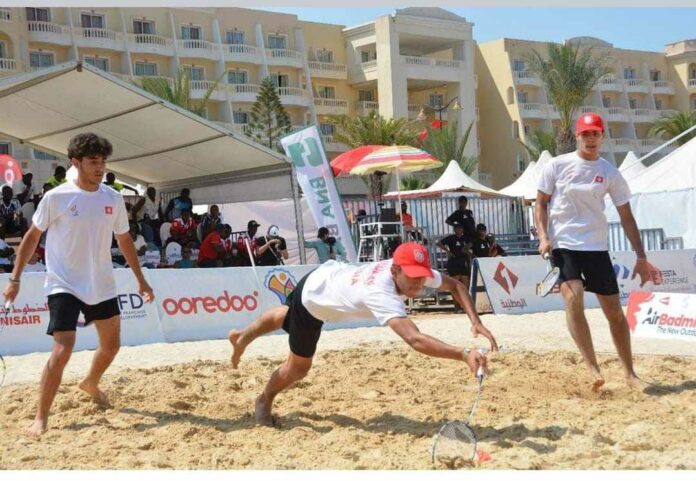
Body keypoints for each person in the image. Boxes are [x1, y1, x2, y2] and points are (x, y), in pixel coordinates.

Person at [228, 242, 498, 426]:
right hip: (315, 301)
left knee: (286, 315)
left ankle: (242, 337)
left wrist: (475, 321)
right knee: (298, 368)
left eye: (422, 275)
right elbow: (414, 339)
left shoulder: (408, 270)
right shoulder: (381, 293)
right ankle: (264, 400)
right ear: (394, 270)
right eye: (413, 277)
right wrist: (463, 354)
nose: (419, 282)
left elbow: (454, 286)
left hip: (324, 275)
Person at [2, 132, 155, 437]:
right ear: (76, 162)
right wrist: (15, 279)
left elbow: (124, 240)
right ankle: (41, 417)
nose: (99, 167)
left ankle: (90, 382)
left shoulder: (111, 197)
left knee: (111, 347)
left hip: (101, 282)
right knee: (63, 348)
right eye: (93, 161)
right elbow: (32, 237)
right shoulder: (56, 197)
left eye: (103, 161)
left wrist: (141, 279)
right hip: (63, 283)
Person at [536, 112, 652, 392]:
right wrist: (543, 237)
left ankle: (630, 373)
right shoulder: (557, 165)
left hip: (597, 247)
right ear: (577, 136)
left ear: (602, 136)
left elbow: (626, 216)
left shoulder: (610, 172)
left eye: (595, 134)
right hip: (564, 245)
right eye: (585, 134)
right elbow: (540, 203)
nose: (590, 139)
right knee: (573, 296)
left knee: (614, 312)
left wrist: (641, 257)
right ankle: (592, 368)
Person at [437, 222, 472, 291]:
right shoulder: (451, 238)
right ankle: (456, 301)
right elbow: (439, 243)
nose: (459, 230)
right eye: (457, 228)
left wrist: (468, 253)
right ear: (454, 229)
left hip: (464, 261)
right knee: (455, 283)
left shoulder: (466, 238)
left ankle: (464, 300)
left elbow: (471, 244)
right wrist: (448, 251)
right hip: (454, 261)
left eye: (460, 228)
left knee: (466, 283)